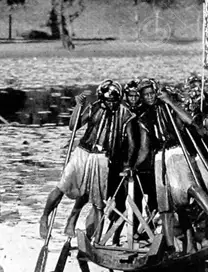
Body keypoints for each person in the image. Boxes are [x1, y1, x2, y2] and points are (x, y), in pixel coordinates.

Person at [39, 81, 140, 241]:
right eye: (108, 101)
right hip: (83, 152)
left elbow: (133, 143)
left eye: (115, 101)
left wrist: (128, 164)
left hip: (103, 158)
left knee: (96, 201)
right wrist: (78, 107)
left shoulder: (125, 114)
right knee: (63, 186)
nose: (111, 104)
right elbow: (73, 126)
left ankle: (94, 239)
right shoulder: (94, 107)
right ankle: (44, 217)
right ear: (102, 98)